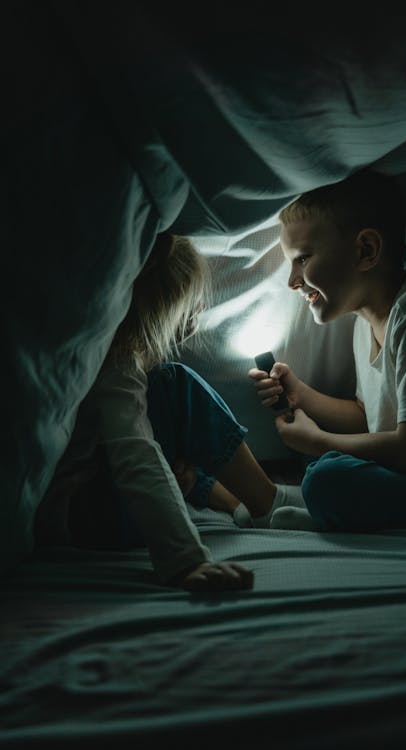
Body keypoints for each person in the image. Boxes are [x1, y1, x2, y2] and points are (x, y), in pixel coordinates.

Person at [35, 232, 303, 592]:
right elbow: (136, 454)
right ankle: (265, 501)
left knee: (169, 433)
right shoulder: (117, 359)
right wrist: (185, 562)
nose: (189, 326)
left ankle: (239, 503)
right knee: (173, 385)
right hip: (80, 517)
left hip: (80, 504)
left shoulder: (78, 346)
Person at [247, 168, 406, 532]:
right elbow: (370, 418)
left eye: (302, 259)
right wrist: (301, 394)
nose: (292, 281)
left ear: (366, 251)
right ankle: (316, 500)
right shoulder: (363, 324)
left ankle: (318, 509)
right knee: (317, 467)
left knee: (326, 475)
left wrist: (318, 441)